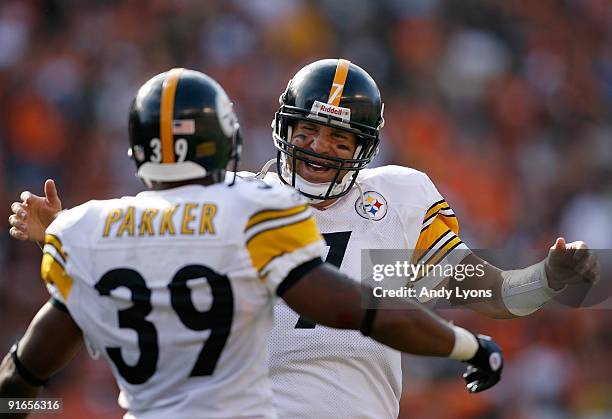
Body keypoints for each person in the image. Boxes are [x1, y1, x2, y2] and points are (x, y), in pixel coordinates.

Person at [10, 60, 598, 418]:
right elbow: (140, 245)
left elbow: (486, 292)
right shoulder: (230, 197)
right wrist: (62, 229)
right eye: (310, 130)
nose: (321, 148)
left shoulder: (395, 199)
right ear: (283, 128)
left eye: (341, 139)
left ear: (365, 149)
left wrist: (546, 281)